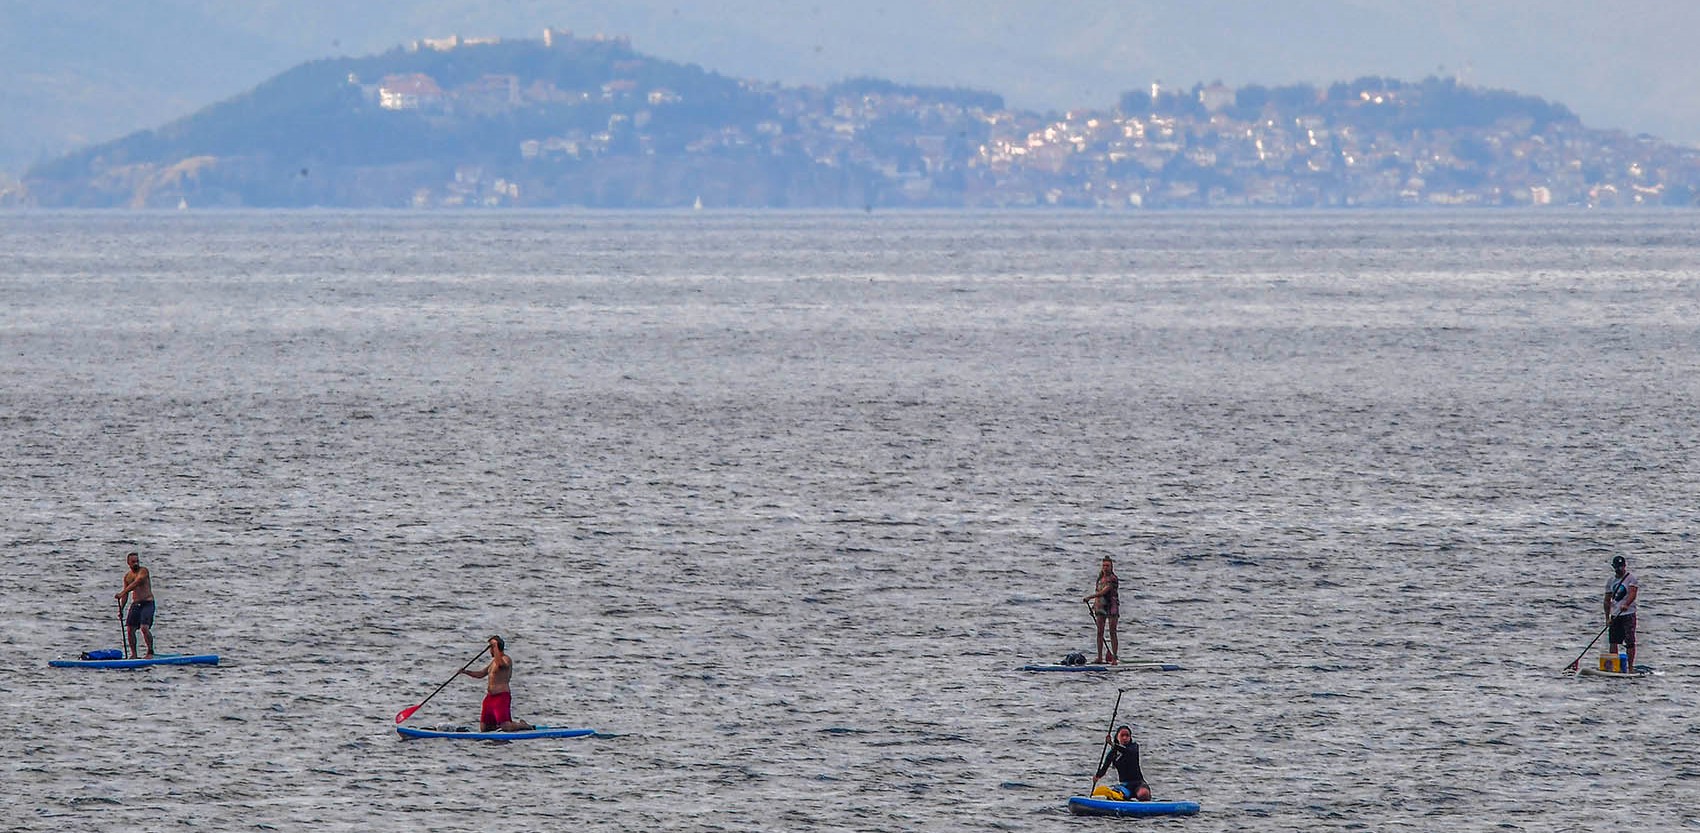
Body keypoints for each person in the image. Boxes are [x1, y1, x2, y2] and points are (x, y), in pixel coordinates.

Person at [460, 635, 534, 732]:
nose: (490, 651)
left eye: (491, 648)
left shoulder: (506, 659)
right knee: (484, 728)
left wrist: (495, 646)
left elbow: (501, 665)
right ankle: (497, 727)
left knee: (506, 727)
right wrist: (466, 672)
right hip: (490, 698)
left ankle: (522, 725)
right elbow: (481, 674)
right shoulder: (493, 662)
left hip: (501, 697)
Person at [1092, 724, 1152, 801]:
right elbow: (1104, 768)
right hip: (1125, 786)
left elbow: (1127, 752)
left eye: (1127, 736)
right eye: (1122, 735)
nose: (1125, 738)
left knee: (1143, 794)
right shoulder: (1112, 753)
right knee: (1113, 796)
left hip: (1138, 784)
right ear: (1117, 737)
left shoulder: (1134, 747)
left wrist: (1112, 744)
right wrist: (1097, 776)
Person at [114, 551, 155, 659]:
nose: (136, 564)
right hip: (136, 604)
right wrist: (121, 609)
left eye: (137, 561)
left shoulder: (143, 571)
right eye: (133, 562)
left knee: (144, 628)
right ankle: (134, 654)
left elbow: (138, 582)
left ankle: (150, 652)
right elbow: (126, 594)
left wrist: (122, 592)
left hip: (148, 603)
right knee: (130, 629)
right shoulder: (127, 576)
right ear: (128, 563)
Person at [1082, 556, 1120, 664]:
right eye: (1103, 566)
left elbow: (1104, 592)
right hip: (1101, 606)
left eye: (1107, 566)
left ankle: (1114, 658)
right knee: (1100, 632)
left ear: (1111, 567)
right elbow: (1099, 593)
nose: (1105, 568)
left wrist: (1090, 597)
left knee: (1112, 632)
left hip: (1112, 606)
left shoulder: (1112, 579)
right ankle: (1099, 657)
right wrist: (1094, 605)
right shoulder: (1100, 579)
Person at [1604, 555, 1639, 671]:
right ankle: (1614, 667)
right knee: (1613, 641)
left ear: (1624, 566)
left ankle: (1630, 667)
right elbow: (1607, 600)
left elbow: (1633, 593)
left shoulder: (1631, 578)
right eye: (1617, 567)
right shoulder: (1611, 581)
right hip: (1615, 615)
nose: (1619, 569)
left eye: (1621, 567)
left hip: (1628, 614)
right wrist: (1607, 618)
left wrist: (1627, 604)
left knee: (1629, 641)